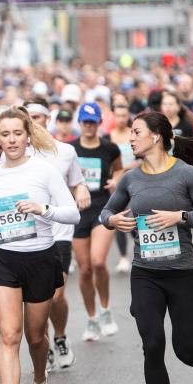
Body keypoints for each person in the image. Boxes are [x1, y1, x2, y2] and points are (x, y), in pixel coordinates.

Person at [99, 111, 193, 384]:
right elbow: (106, 212)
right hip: (146, 275)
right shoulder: (130, 178)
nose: (131, 137)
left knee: (184, 348)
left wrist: (180, 217)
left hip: (182, 274)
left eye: (136, 132)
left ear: (156, 136)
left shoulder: (186, 174)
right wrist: (113, 222)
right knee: (152, 345)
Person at [0, 107, 80, 384]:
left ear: (27, 135)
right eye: (5, 134)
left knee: (35, 336)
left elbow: (72, 213)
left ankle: (40, 380)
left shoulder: (44, 171)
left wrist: (42, 209)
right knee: (9, 335)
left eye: (17, 133)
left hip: (40, 258)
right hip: (3, 258)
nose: (12, 139)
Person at [19, 103, 90, 371]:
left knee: (56, 296)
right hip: (27, 233)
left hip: (58, 231)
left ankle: (59, 336)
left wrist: (81, 189)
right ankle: (43, 343)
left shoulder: (65, 151)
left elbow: (77, 181)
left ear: (47, 119)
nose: (32, 122)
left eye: (36, 117)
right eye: (27, 118)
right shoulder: (16, 153)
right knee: (37, 297)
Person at [71, 102, 123, 342]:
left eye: (93, 122)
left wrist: (116, 182)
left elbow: (119, 170)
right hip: (78, 211)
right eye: (85, 122)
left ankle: (105, 310)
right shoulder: (69, 149)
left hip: (103, 207)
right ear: (80, 123)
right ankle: (92, 319)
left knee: (98, 262)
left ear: (99, 123)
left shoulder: (109, 148)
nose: (89, 126)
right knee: (84, 269)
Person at [107, 94, 136, 274]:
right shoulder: (108, 136)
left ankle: (140, 246)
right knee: (119, 218)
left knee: (134, 217)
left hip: (134, 181)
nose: (120, 119)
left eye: (123, 116)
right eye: (117, 116)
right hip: (116, 183)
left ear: (128, 116)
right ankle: (124, 257)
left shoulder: (134, 134)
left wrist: (123, 167)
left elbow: (140, 159)